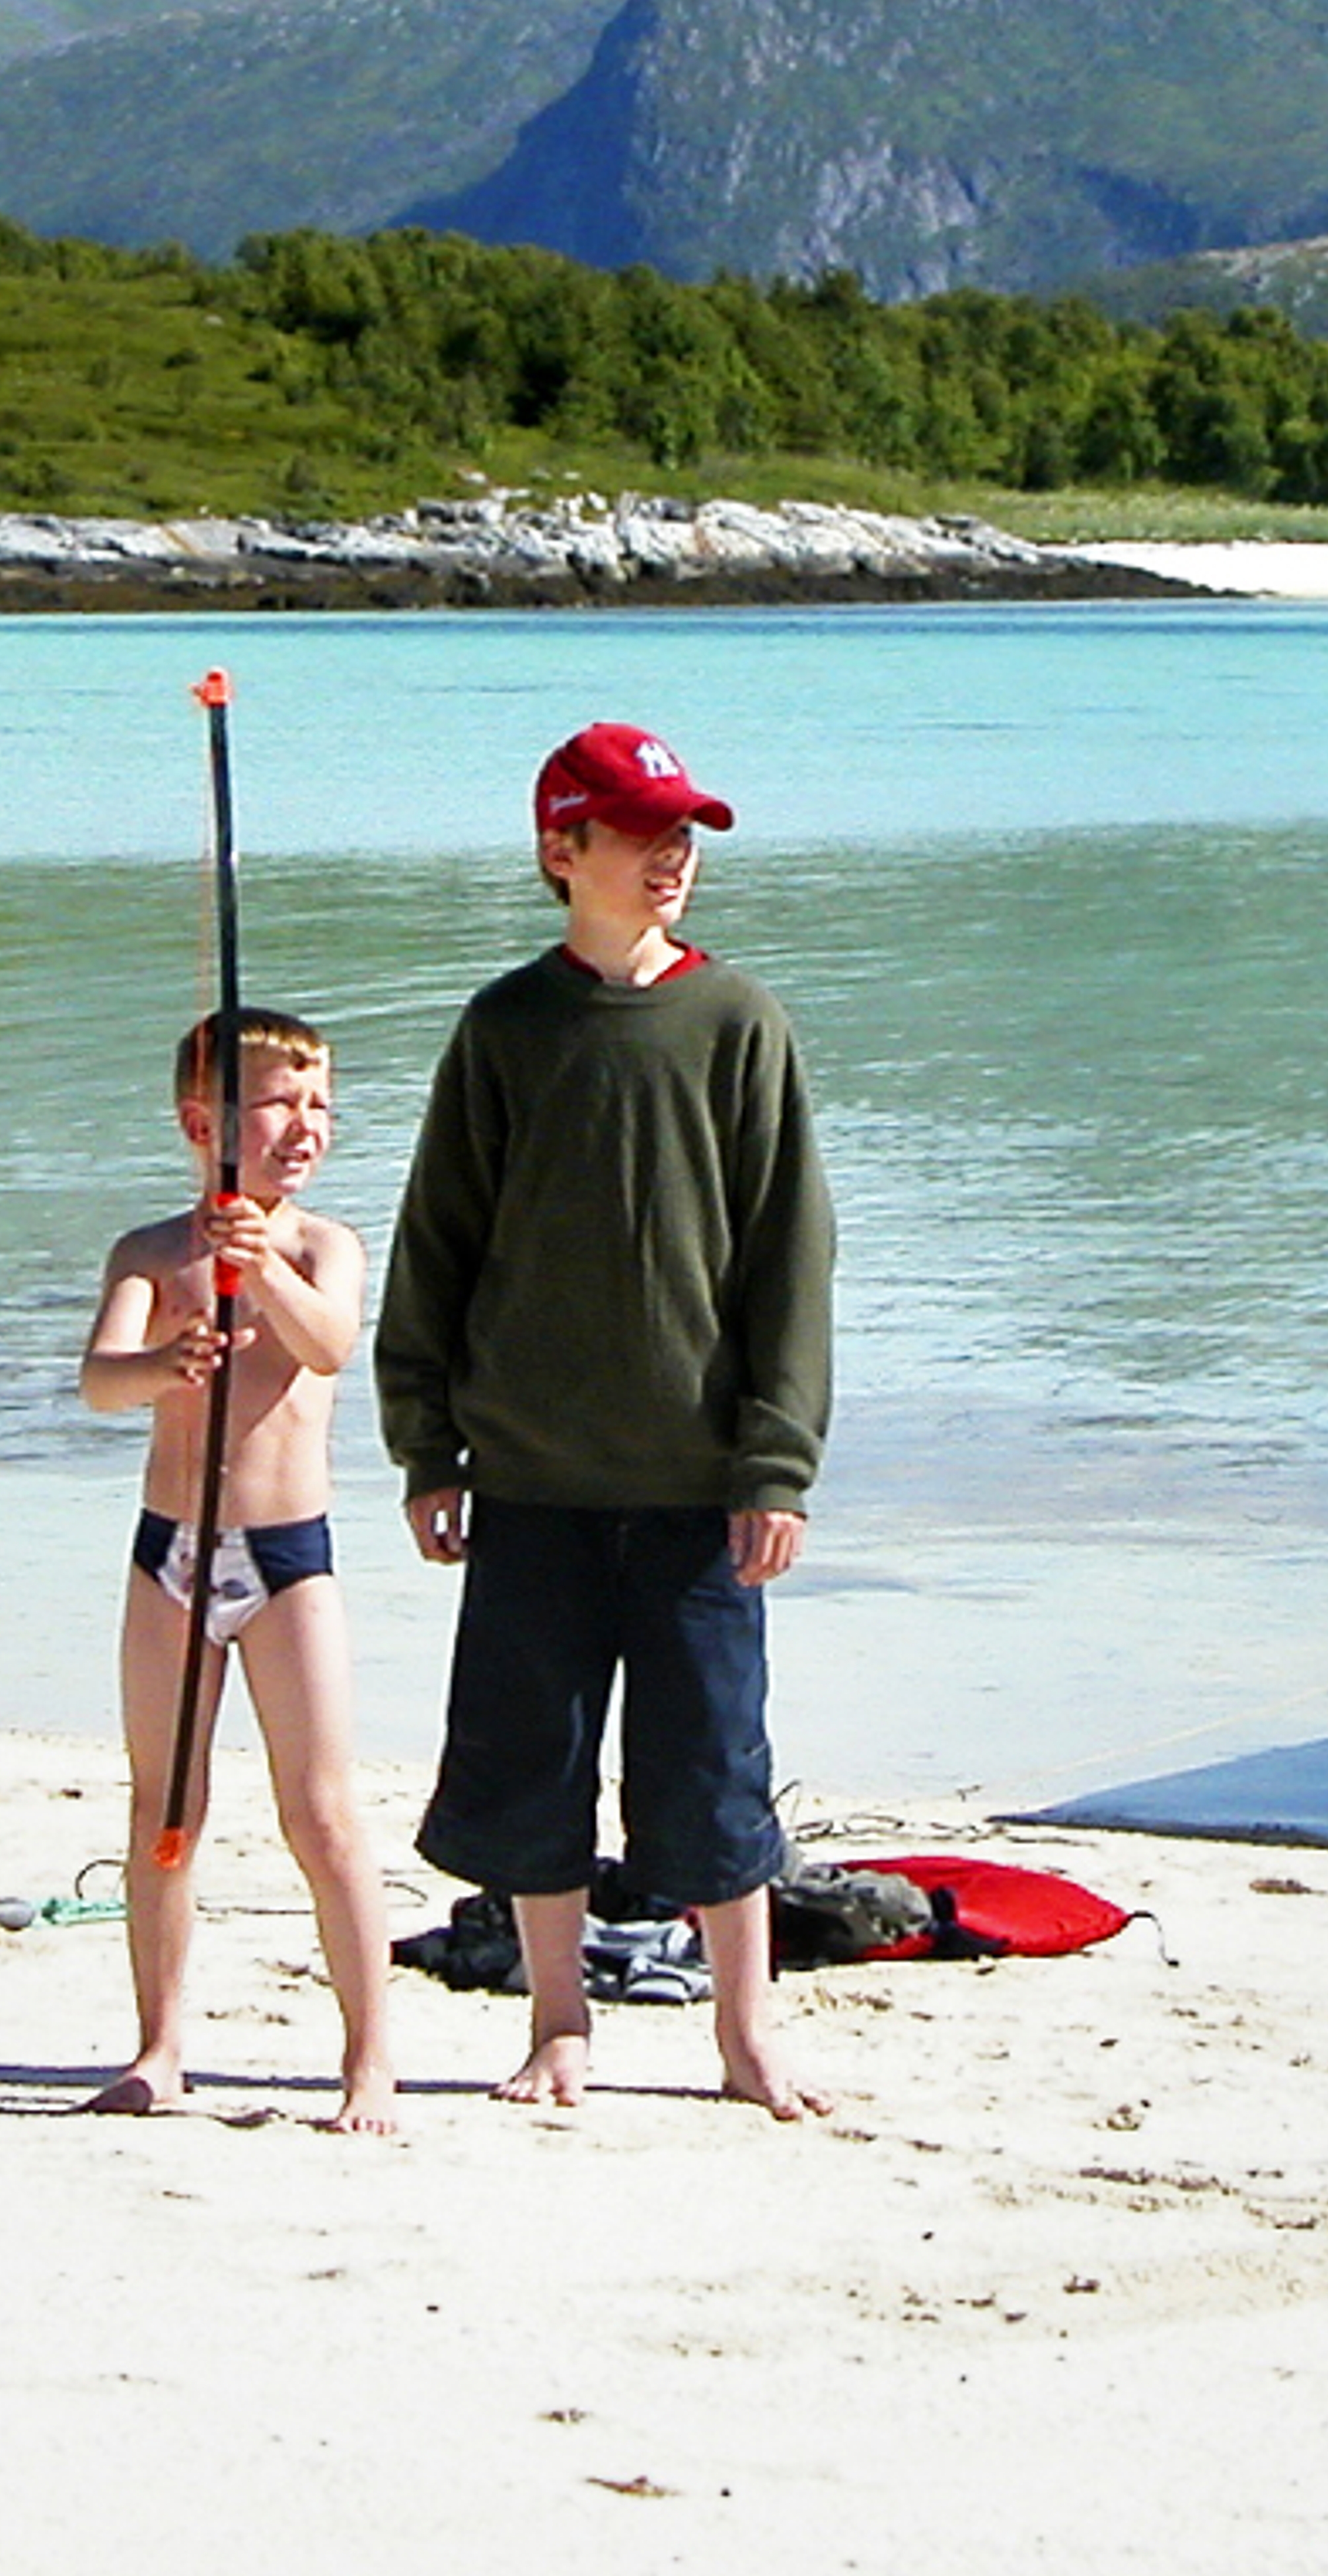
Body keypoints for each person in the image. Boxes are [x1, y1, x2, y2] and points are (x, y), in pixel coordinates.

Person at [375, 722, 836, 2119]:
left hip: (702, 1482)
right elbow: (436, 1245)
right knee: (532, 1762)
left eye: (683, 831)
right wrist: (425, 1443)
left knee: (714, 1764)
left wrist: (778, 1460)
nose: (673, 855)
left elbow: (787, 1257)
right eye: (643, 833)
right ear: (561, 852)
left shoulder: (737, 1019)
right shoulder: (505, 1027)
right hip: (531, 1477)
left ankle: (745, 2035)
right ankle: (558, 2021)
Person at [79, 1006, 396, 2132]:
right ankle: (160, 2044)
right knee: (168, 1802)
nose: (304, 1125)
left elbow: (329, 1346)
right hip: (169, 1551)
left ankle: (368, 2059)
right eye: (277, 1103)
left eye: (320, 1105)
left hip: (286, 1561)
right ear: (200, 1120)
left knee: (321, 1813)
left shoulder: (321, 1247)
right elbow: (100, 1380)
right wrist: (165, 1359)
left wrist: (260, 1272)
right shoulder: (153, 1254)